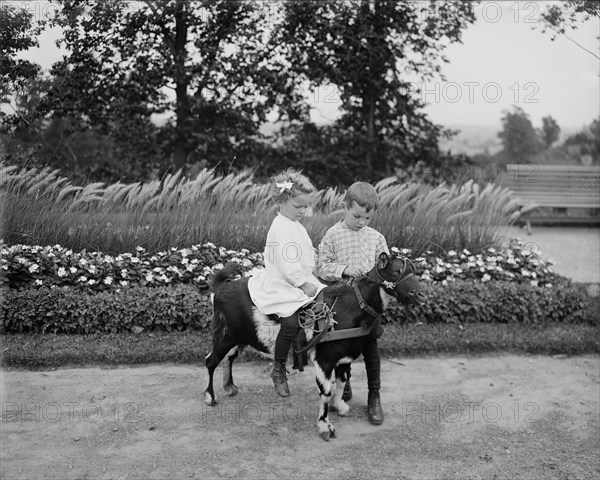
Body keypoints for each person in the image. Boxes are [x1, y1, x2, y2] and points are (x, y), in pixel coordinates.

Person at [248, 169, 326, 397]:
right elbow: (287, 261)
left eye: (306, 206)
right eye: (298, 206)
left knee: (328, 307)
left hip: (301, 279)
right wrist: (303, 284)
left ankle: (325, 360)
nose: (303, 211)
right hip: (283, 283)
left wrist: (314, 268)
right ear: (282, 202)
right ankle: (279, 368)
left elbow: (303, 252)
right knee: (290, 323)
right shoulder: (280, 226)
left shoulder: (295, 224)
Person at [316, 181, 389, 425]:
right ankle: (342, 388)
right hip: (343, 308)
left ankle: (374, 396)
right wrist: (346, 269)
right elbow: (322, 266)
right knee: (340, 349)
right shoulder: (333, 235)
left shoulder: (377, 238)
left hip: (368, 309)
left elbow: (385, 273)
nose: (361, 222)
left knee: (370, 350)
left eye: (367, 218)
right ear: (344, 206)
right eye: (356, 215)